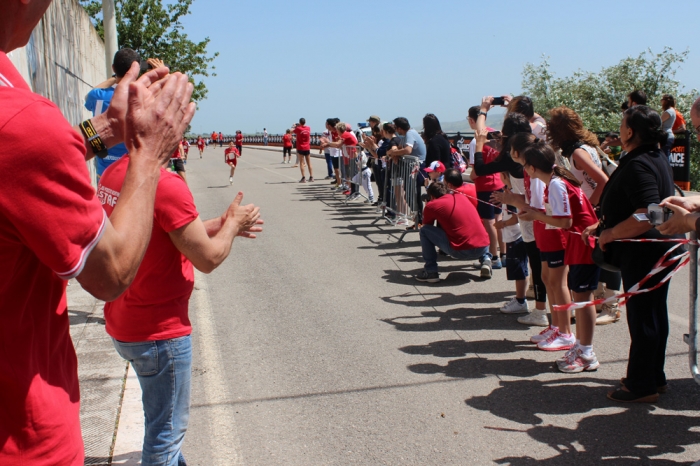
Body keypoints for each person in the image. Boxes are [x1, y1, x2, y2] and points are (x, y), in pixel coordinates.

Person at [0, 3, 196, 462]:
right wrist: (151, 153)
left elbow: (25, 164)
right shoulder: (18, 116)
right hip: (21, 434)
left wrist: (107, 128)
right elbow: (110, 274)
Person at [98, 155, 262, 465]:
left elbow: (166, 230)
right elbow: (208, 259)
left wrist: (222, 224)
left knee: (161, 421)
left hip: (125, 322)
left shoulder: (115, 172)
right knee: (165, 437)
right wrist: (231, 229)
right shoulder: (167, 185)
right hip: (159, 334)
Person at [593, 105, 680, 403]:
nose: (619, 129)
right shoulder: (656, 156)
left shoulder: (640, 162)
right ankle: (654, 375)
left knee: (644, 316)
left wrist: (610, 233)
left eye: (622, 125)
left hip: (645, 251)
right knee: (654, 313)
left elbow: (646, 214)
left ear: (630, 132)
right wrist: (601, 224)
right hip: (659, 248)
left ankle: (641, 384)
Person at [518, 139, 601, 370]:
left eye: (525, 165)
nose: (524, 169)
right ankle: (581, 347)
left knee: (584, 300)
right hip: (579, 241)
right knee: (581, 298)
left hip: (583, 242)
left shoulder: (556, 183)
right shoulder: (555, 181)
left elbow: (565, 221)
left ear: (532, 168)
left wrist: (535, 215)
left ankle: (586, 353)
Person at [546, 106, 621, 325]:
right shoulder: (587, 146)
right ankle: (600, 302)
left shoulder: (578, 152)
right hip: (597, 206)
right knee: (599, 257)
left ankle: (611, 305)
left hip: (595, 208)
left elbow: (603, 180)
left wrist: (589, 204)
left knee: (604, 258)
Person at [415, 182, 491, 282]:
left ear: (432, 196)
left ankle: (431, 271)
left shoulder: (432, 205)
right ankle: (486, 260)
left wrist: (428, 206)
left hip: (461, 251)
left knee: (424, 231)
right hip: (483, 247)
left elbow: (427, 225)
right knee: (471, 229)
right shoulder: (461, 197)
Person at [84, 48, 142, 179]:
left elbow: (90, 94)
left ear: (113, 68)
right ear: (135, 71)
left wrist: (113, 78)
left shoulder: (97, 96)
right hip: (129, 172)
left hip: (103, 170)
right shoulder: (139, 98)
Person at [467, 105, 505, 269]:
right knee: (499, 219)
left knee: (488, 222)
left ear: (471, 120)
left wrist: (469, 177)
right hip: (500, 181)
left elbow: (476, 169)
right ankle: (504, 254)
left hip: (485, 185)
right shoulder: (496, 134)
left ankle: (492, 256)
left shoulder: (477, 140)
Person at [495, 174, 529, 315]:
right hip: (515, 236)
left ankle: (520, 300)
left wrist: (502, 224)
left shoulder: (512, 194)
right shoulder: (510, 191)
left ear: (504, 176)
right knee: (519, 270)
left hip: (516, 236)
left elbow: (516, 217)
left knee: (519, 270)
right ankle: (520, 298)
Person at [388, 117, 427, 225]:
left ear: (400, 128)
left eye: (396, 128)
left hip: (415, 168)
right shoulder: (407, 135)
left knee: (412, 195)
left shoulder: (410, 134)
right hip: (410, 168)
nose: (395, 130)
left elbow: (407, 150)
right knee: (411, 195)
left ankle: (420, 220)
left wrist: (394, 153)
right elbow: (400, 147)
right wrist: (395, 152)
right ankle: (418, 220)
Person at [293, 118, 314, 183]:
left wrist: (294, 126)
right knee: (309, 163)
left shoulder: (298, 129)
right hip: (307, 147)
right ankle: (311, 177)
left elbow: (291, 131)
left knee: (302, 163)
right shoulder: (308, 128)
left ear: (299, 122)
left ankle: (303, 178)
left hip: (301, 147)